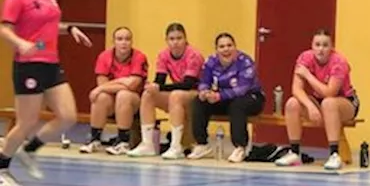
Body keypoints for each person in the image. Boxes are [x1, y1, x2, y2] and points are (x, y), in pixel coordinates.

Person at [0, 0, 92, 186]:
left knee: (68, 116)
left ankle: (29, 150)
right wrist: (20, 43)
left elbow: (48, 27)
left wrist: (70, 28)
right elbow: (4, 28)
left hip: (51, 62)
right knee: (26, 121)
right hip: (28, 64)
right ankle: (1, 168)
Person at [275, 29, 359, 171]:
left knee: (328, 103)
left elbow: (329, 92)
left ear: (331, 47)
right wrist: (310, 106)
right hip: (318, 100)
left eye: (325, 45)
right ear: (312, 46)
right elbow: (296, 89)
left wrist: (308, 76)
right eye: (317, 45)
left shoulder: (339, 62)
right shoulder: (305, 58)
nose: (321, 49)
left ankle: (334, 154)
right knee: (292, 103)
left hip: (345, 101)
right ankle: (294, 152)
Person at [127, 22, 204, 159]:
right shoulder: (164, 55)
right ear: (167, 40)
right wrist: (153, 86)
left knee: (176, 95)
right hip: (178, 93)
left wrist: (160, 87)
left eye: (179, 38)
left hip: (197, 93)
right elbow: (160, 80)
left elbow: (188, 84)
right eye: (172, 39)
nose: (175, 42)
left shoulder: (193, 55)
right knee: (148, 94)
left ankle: (176, 146)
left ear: (185, 39)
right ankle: (147, 144)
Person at [188, 32, 265, 163]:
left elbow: (242, 89)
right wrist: (204, 92)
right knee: (199, 102)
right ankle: (202, 144)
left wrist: (219, 96)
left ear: (235, 47)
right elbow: (204, 81)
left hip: (251, 98)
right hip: (223, 98)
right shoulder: (211, 61)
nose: (226, 49)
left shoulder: (245, 62)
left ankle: (240, 147)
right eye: (222, 46)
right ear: (217, 50)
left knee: (237, 105)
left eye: (229, 45)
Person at [82, 26, 149, 154]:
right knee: (100, 96)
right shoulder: (104, 56)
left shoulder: (139, 57)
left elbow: (133, 85)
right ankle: (95, 139)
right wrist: (123, 81)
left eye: (127, 39)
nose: (124, 42)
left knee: (124, 95)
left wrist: (103, 87)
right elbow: (102, 84)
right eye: (120, 39)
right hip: (113, 100)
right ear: (114, 42)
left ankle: (123, 141)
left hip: (136, 101)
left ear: (131, 42)